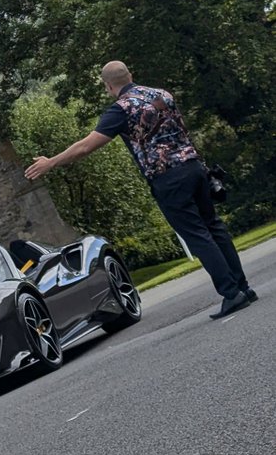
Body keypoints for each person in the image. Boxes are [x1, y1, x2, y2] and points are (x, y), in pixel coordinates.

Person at [24, 61, 256, 320]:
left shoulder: (121, 109)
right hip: (195, 166)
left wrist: (51, 162)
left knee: (197, 235)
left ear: (108, 86)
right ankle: (244, 288)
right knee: (214, 227)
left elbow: (86, 146)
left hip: (168, 178)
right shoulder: (162, 94)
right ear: (131, 75)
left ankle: (230, 293)